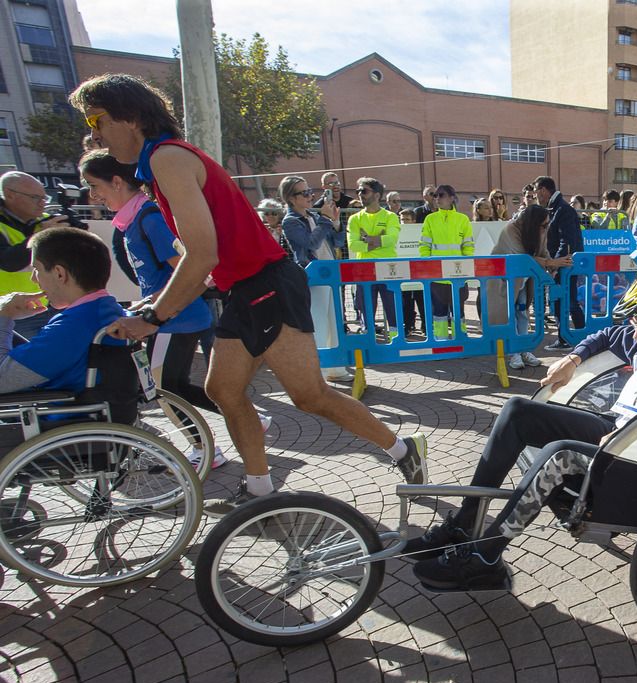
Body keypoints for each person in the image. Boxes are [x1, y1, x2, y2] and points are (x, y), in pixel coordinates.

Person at [70, 74, 427, 515]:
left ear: (128, 115)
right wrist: (156, 304)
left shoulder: (166, 158)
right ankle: (260, 492)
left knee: (309, 395)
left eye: (94, 118)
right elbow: (203, 259)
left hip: (266, 284)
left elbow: (202, 254)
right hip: (246, 288)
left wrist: (155, 317)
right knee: (222, 389)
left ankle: (403, 450)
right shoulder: (160, 164)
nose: (93, 133)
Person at [406, 265, 637, 590]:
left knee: (560, 454)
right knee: (518, 411)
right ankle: (465, 524)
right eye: (635, 323)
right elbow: (608, 335)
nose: (635, 333)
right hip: (622, 437)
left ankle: (485, 557)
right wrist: (572, 359)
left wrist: (632, 438)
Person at [78, 150, 227, 469]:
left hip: (176, 319)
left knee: (159, 388)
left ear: (116, 181)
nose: (92, 195)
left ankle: (206, 449)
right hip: (170, 318)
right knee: (175, 385)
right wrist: (144, 305)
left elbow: (188, 271)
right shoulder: (135, 219)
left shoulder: (149, 217)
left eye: (94, 185)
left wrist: (150, 309)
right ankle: (246, 418)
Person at [0, 228, 126, 403]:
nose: (34, 280)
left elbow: (2, 379)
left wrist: (4, 317)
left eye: (36, 269)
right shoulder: (107, 309)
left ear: (60, 273)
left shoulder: (74, 325)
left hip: (48, 419)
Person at [279, 175, 353, 383]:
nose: (310, 195)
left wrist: (336, 222)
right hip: (312, 276)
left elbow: (338, 242)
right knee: (318, 324)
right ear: (291, 198)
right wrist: (325, 220)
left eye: (309, 191)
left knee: (335, 323)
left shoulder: (314, 216)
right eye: (304, 193)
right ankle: (318, 373)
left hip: (330, 273)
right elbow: (311, 243)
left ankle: (336, 368)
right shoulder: (291, 221)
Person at [486, 204, 571, 371]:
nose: (547, 228)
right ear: (533, 223)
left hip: (524, 279)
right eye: (544, 225)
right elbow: (522, 258)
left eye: (548, 224)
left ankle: (523, 349)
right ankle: (513, 353)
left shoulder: (539, 230)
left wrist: (553, 268)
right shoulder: (511, 229)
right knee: (509, 315)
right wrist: (550, 263)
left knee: (523, 313)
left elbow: (543, 252)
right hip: (505, 281)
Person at [0, 171, 71, 340]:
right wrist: (42, 235)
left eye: (44, 198)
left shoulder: (46, 220)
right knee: (24, 363)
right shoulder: (45, 227)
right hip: (13, 311)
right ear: (9, 195)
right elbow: (8, 261)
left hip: (51, 303)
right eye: (35, 197)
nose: (42, 203)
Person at [348, 177, 401, 343]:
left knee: (392, 309)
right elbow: (353, 246)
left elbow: (391, 240)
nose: (360, 194)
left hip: (388, 268)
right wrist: (378, 240)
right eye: (358, 191)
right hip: (364, 269)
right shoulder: (354, 219)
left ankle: (396, 343)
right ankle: (368, 343)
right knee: (366, 310)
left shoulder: (390, 217)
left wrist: (366, 239)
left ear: (377, 195)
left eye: (364, 191)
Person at [535, 176, 586, 351]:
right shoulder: (556, 208)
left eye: (536, 192)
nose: (536, 196)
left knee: (568, 301)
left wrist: (555, 265)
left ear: (543, 190)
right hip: (563, 262)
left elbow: (567, 241)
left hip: (566, 264)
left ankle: (579, 339)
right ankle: (571, 338)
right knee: (561, 301)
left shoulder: (562, 209)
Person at [418, 184, 474, 339]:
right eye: (435, 196)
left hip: (458, 274)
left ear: (452, 198)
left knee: (459, 311)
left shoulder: (463, 219)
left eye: (441, 195)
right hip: (437, 275)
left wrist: (463, 265)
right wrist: (428, 264)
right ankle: (441, 341)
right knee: (439, 312)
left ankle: (460, 340)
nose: (437, 199)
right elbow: (424, 246)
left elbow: (468, 246)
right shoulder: (430, 219)